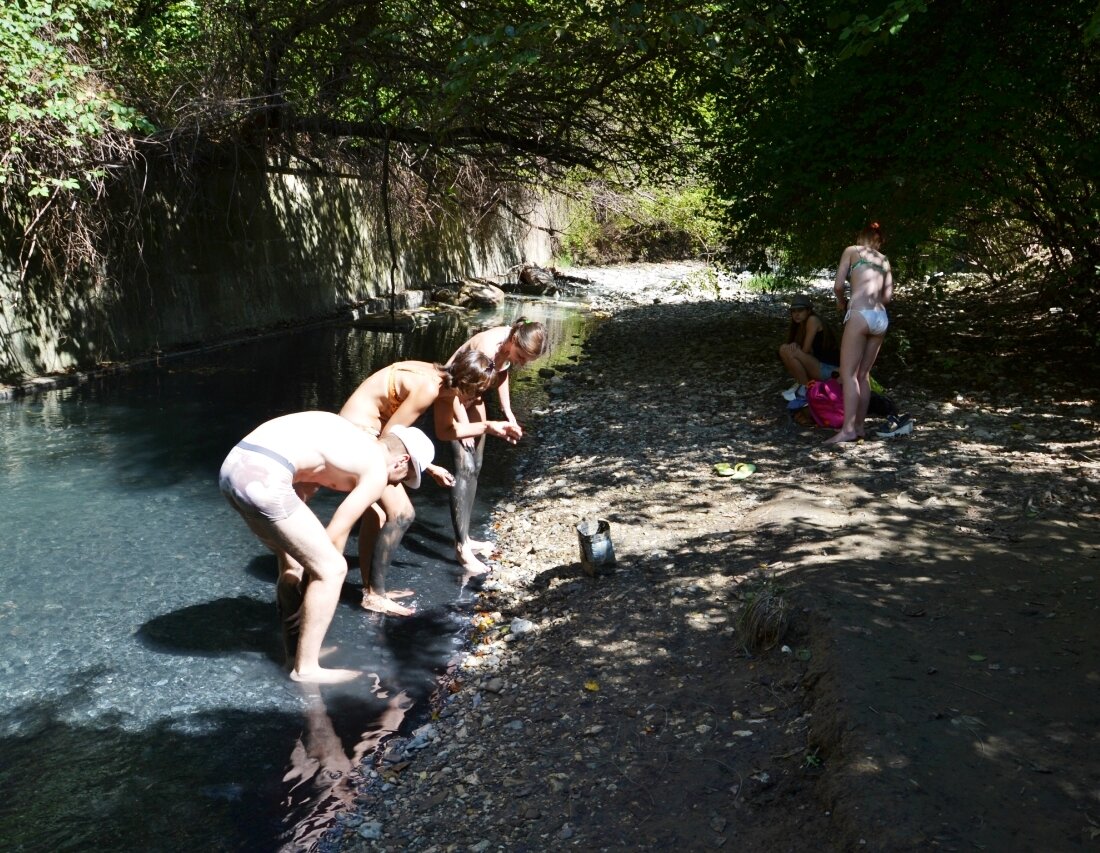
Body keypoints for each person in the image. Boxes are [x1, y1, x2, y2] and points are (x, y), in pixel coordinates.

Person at [218, 411, 434, 682]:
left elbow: (302, 499)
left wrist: (303, 573)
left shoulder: (350, 438)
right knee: (332, 569)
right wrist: (316, 579)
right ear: (402, 460)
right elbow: (337, 529)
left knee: (293, 563)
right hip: (265, 478)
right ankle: (306, 669)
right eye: (404, 477)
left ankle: (294, 655)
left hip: (233, 469)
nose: (395, 484)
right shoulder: (377, 470)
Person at [339, 351, 522, 616]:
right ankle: (374, 595)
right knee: (401, 513)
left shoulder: (447, 386)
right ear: (466, 383)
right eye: (478, 391)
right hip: (358, 434)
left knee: (378, 514)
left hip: (373, 436)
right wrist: (427, 467)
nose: (478, 398)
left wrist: (488, 426)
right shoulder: (429, 386)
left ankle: (372, 589)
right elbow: (390, 440)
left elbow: (445, 431)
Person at [446, 318, 548, 573]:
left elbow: (501, 374)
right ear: (514, 340)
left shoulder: (508, 348)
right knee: (464, 467)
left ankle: (466, 538)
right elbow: (452, 385)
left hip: (473, 396)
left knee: (476, 466)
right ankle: (461, 548)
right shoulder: (486, 347)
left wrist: (508, 413)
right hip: (451, 397)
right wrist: (461, 424)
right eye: (522, 357)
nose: (523, 363)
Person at [824, 222, 894, 445]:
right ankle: (860, 427)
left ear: (859, 236)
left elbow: (837, 285)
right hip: (881, 318)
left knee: (848, 375)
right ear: (878, 240)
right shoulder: (884, 260)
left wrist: (842, 301)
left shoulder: (852, 251)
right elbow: (887, 298)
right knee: (863, 375)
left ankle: (847, 430)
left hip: (860, 314)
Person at [778, 294, 840, 399]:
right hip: (819, 366)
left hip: (831, 370)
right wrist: (795, 344)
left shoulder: (812, 320)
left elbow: (805, 350)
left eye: (800, 310)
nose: (796, 314)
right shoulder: (801, 326)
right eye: (794, 311)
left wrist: (796, 346)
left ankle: (806, 389)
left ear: (809, 311)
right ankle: (803, 386)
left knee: (790, 351)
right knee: (784, 349)